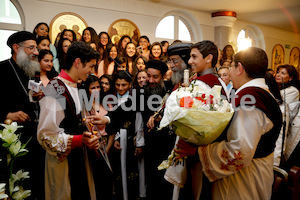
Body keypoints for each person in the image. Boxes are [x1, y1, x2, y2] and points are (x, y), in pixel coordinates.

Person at [176, 47, 282, 200]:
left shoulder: (250, 99)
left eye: (231, 66)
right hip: (250, 174)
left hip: (244, 181)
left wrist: (198, 152)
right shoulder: (262, 92)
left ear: (239, 68)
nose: (229, 72)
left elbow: (239, 152)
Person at [37, 41, 101, 200]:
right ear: (78, 62)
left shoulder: (76, 86)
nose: (92, 71)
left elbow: (77, 121)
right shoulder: (55, 89)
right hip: (63, 164)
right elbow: (45, 135)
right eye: (91, 66)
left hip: (80, 160)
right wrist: (80, 140)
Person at [0, 31, 43, 199]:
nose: (36, 52)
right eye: (31, 48)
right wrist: (8, 114)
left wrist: (38, 98)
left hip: (32, 139)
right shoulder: (2, 69)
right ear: (16, 48)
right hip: (8, 141)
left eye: (36, 48)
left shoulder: (30, 71)